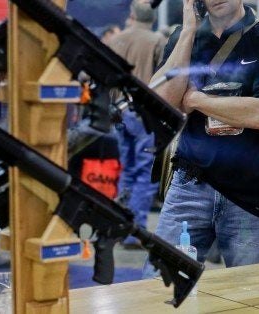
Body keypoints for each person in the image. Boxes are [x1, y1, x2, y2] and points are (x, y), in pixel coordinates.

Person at [143, 0, 259, 276]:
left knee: (252, 294)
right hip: (190, 184)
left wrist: (197, 100)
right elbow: (162, 104)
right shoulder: (183, 38)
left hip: (252, 192)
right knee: (158, 282)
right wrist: (189, 30)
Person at [107, 0, 167, 249]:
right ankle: (135, 231)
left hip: (120, 112)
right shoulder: (156, 41)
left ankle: (121, 227)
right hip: (146, 116)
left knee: (127, 170)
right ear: (152, 18)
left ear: (132, 16)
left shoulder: (117, 40)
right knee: (145, 171)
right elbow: (166, 77)